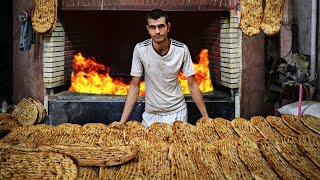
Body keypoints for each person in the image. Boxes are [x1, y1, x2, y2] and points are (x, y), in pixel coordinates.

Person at [120, 9, 208, 127]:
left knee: (178, 146)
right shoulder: (140, 49)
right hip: (151, 114)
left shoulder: (181, 49)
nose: (157, 31)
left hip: (177, 113)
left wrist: (206, 118)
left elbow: (192, 85)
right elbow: (135, 86)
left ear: (168, 27)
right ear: (148, 29)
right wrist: (122, 122)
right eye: (153, 27)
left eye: (161, 26)